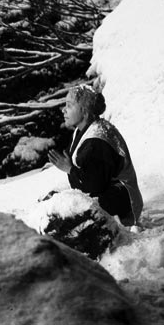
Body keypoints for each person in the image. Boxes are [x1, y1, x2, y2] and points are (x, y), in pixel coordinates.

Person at [47, 84, 143, 226]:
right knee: (52, 199)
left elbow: (94, 185)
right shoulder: (82, 130)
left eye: (69, 105)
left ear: (84, 111)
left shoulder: (97, 140)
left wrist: (70, 170)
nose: (63, 110)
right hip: (102, 190)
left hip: (120, 197)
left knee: (69, 212)